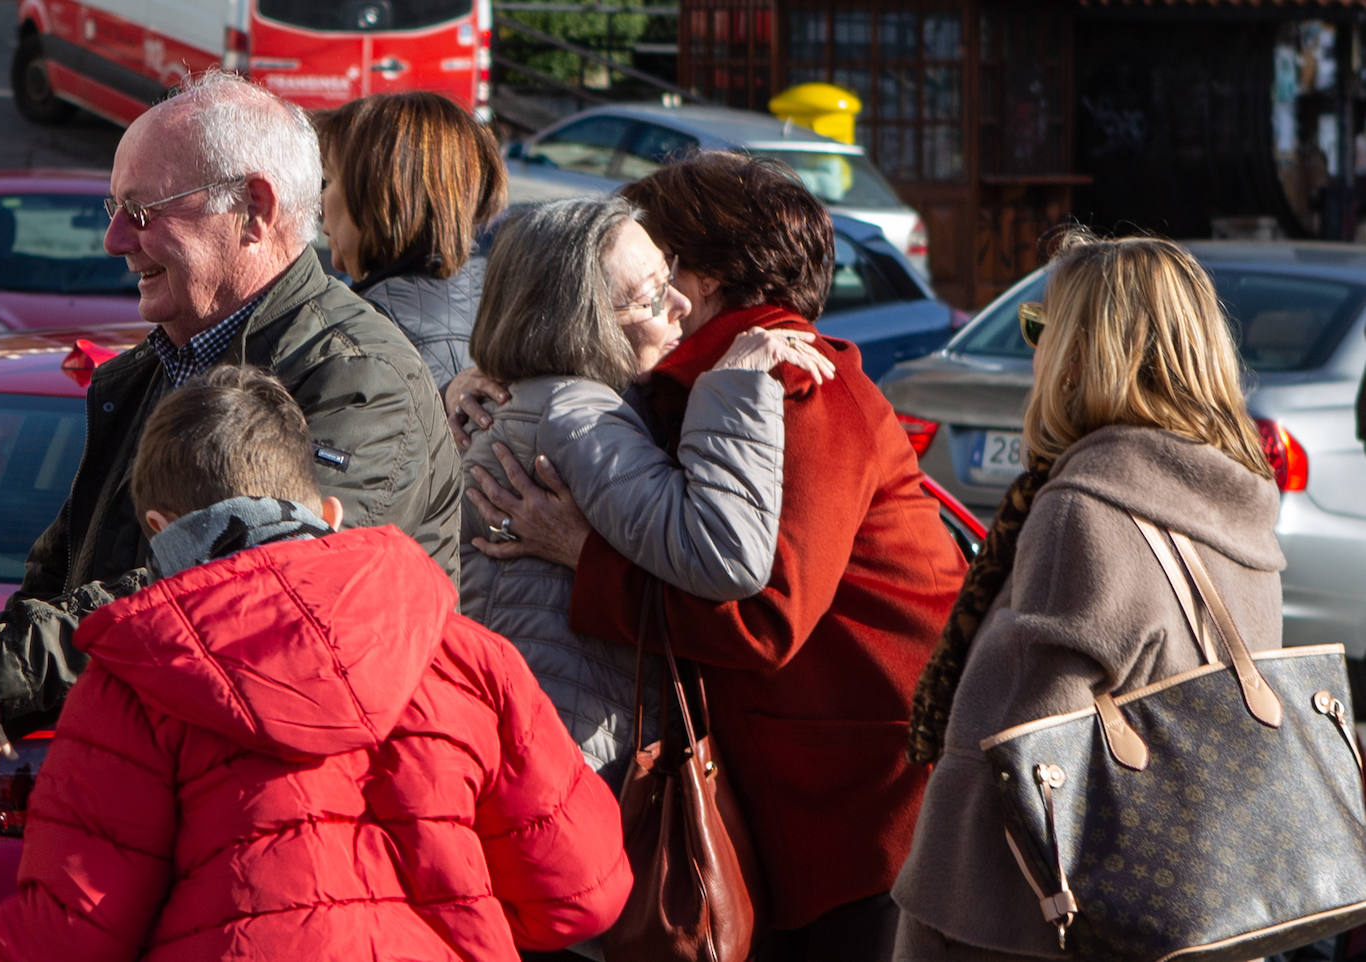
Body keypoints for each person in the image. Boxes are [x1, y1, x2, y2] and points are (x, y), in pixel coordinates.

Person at [460, 152, 968, 961]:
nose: (645, 287)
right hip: (800, 778)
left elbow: (763, 614)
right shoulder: (688, 381)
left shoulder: (788, 381)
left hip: (858, 794)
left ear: (697, 277)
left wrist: (581, 554)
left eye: (654, 266)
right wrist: (501, 375)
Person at [0, 365, 630, 962]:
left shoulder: (134, 683)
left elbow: (70, 936)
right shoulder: (469, 658)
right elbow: (582, 893)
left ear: (162, 532)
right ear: (328, 514)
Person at [0, 70, 460, 747]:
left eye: (143, 211)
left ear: (255, 209)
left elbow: (251, 594)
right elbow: (60, 577)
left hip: (299, 814)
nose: (115, 240)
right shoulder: (147, 373)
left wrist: (11, 673)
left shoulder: (356, 379)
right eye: (113, 210)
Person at [893, 231, 1284, 960]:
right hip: (1198, 908)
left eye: (1040, 327)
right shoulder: (1233, 496)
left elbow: (1029, 753)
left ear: (1082, 351)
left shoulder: (1086, 508)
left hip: (1030, 928)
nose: (1032, 349)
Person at [459, 196, 833, 791]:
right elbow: (727, 552)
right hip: (565, 770)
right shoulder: (577, 416)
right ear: (582, 319)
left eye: (671, 274)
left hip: (546, 748)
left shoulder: (561, 402)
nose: (682, 305)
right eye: (653, 296)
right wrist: (737, 384)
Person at [314, 91, 506, 394]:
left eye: (329, 180)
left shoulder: (365, 339)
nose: (320, 203)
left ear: (381, 197)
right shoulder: (496, 300)